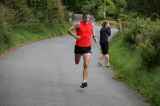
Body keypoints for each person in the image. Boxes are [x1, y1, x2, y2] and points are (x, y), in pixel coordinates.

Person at [68, 14, 96, 88]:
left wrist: (94, 37)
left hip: (87, 47)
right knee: (77, 62)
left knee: (86, 65)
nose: (87, 18)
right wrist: (75, 36)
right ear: (83, 18)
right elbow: (69, 30)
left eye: (88, 17)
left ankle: (84, 81)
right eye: (85, 17)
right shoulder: (78, 24)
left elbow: (92, 31)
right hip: (78, 47)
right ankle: (79, 56)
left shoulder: (91, 25)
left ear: (89, 18)